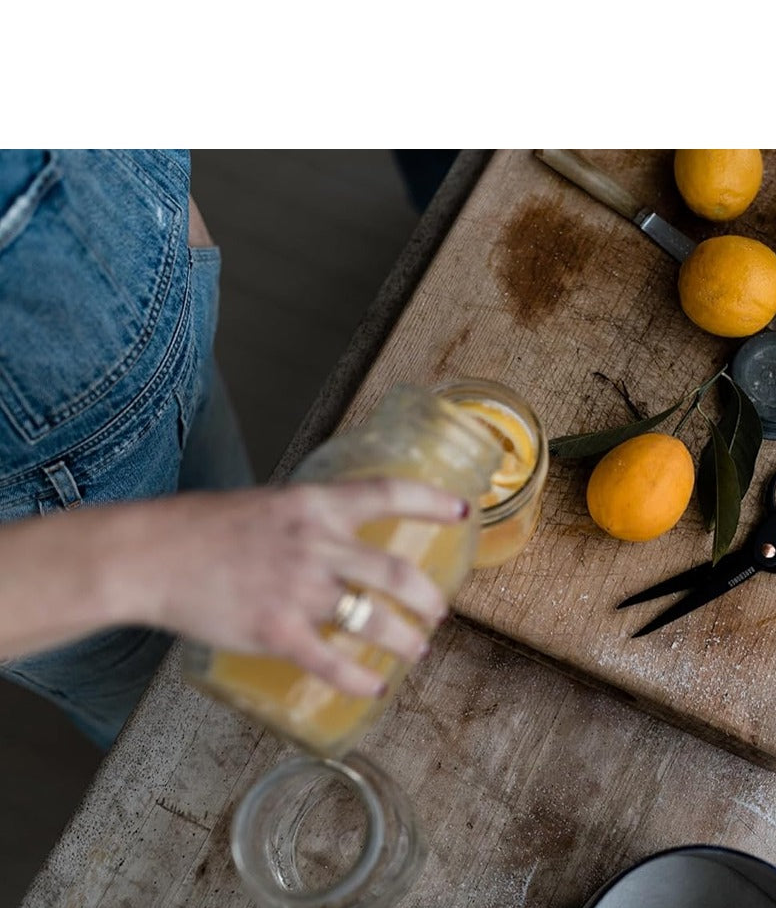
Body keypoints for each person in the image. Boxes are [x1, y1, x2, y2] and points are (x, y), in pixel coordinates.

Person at [0, 150, 458, 750]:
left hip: (163, 298)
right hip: (50, 526)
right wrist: (152, 562)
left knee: (251, 551)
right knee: (180, 724)